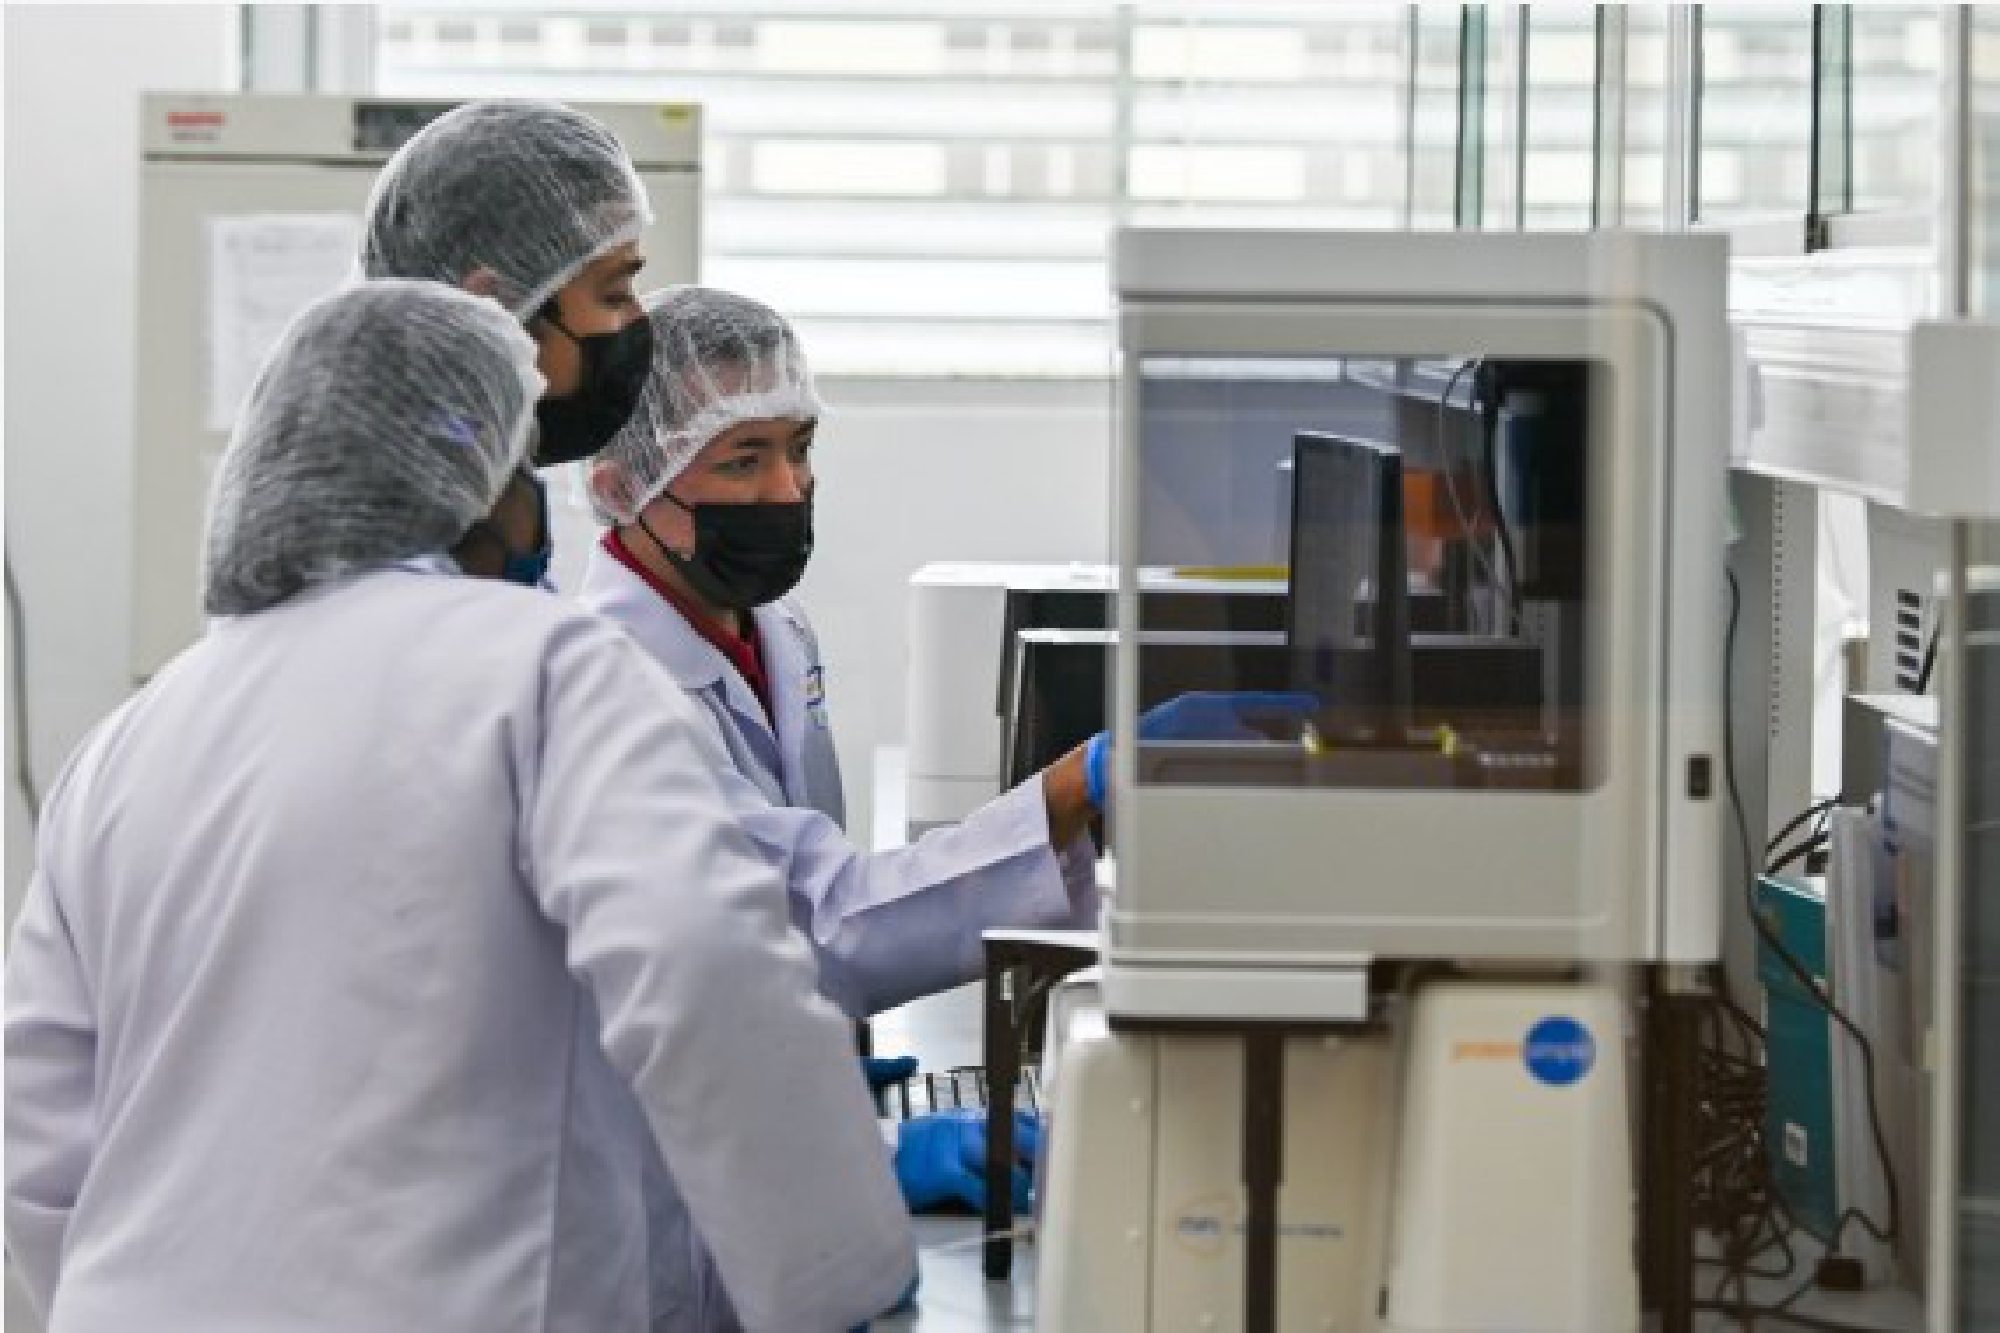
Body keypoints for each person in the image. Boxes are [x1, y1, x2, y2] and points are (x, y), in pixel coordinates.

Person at [3, 281, 915, 1333]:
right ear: (475, 488)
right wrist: (839, 1271)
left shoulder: (125, 743)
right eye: (524, 471)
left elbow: (37, 1136)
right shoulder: (548, 668)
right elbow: (707, 966)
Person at [578, 287, 1100, 1207]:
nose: (788, 490)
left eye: (800, 447)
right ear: (624, 489)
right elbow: (818, 924)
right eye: (744, 459)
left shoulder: (774, 628)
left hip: (748, 1089)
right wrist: (1076, 788)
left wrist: (803, 1070)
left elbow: (791, 882)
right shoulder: (610, 684)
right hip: (665, 1168)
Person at [360, 98, 657, 468]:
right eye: (614, 295)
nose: (639, 316)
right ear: (492, 309)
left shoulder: (462, 474)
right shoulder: (414, 494)